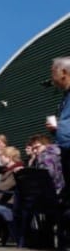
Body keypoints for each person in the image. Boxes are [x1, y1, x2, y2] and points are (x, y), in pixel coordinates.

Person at [48, 56, 70, 200]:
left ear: (63, 72)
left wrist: (58, 126)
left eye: (53, 72)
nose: (51, 77)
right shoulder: (65, 97)